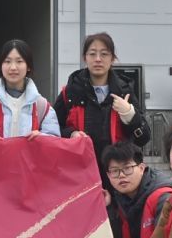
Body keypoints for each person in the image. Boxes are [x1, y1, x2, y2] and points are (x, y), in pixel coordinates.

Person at [55, 32, 151, 197]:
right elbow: (52, 129)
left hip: (118, 175)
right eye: (92, 54)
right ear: (85, 58)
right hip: (80, 174)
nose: (98, 59)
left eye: (104, 54)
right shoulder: (70, 91)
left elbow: (144, 137)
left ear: (112, 58)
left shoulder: (124, 91)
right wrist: (71, 133)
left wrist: (129, 114)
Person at [102, 141, 172, 238]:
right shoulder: (116, 198)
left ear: (141, 168)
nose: (121, 175)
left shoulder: (163, 197)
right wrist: (109, 208)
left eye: (127, 168)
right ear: (108, 175)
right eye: (115, 171)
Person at [0, 39, 61, 138]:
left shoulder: (42, 106)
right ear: (1, 66)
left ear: (28, 66)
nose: (13, 67)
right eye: (7, 61)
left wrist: (42, 137)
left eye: (19, 61)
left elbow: (53, 140)